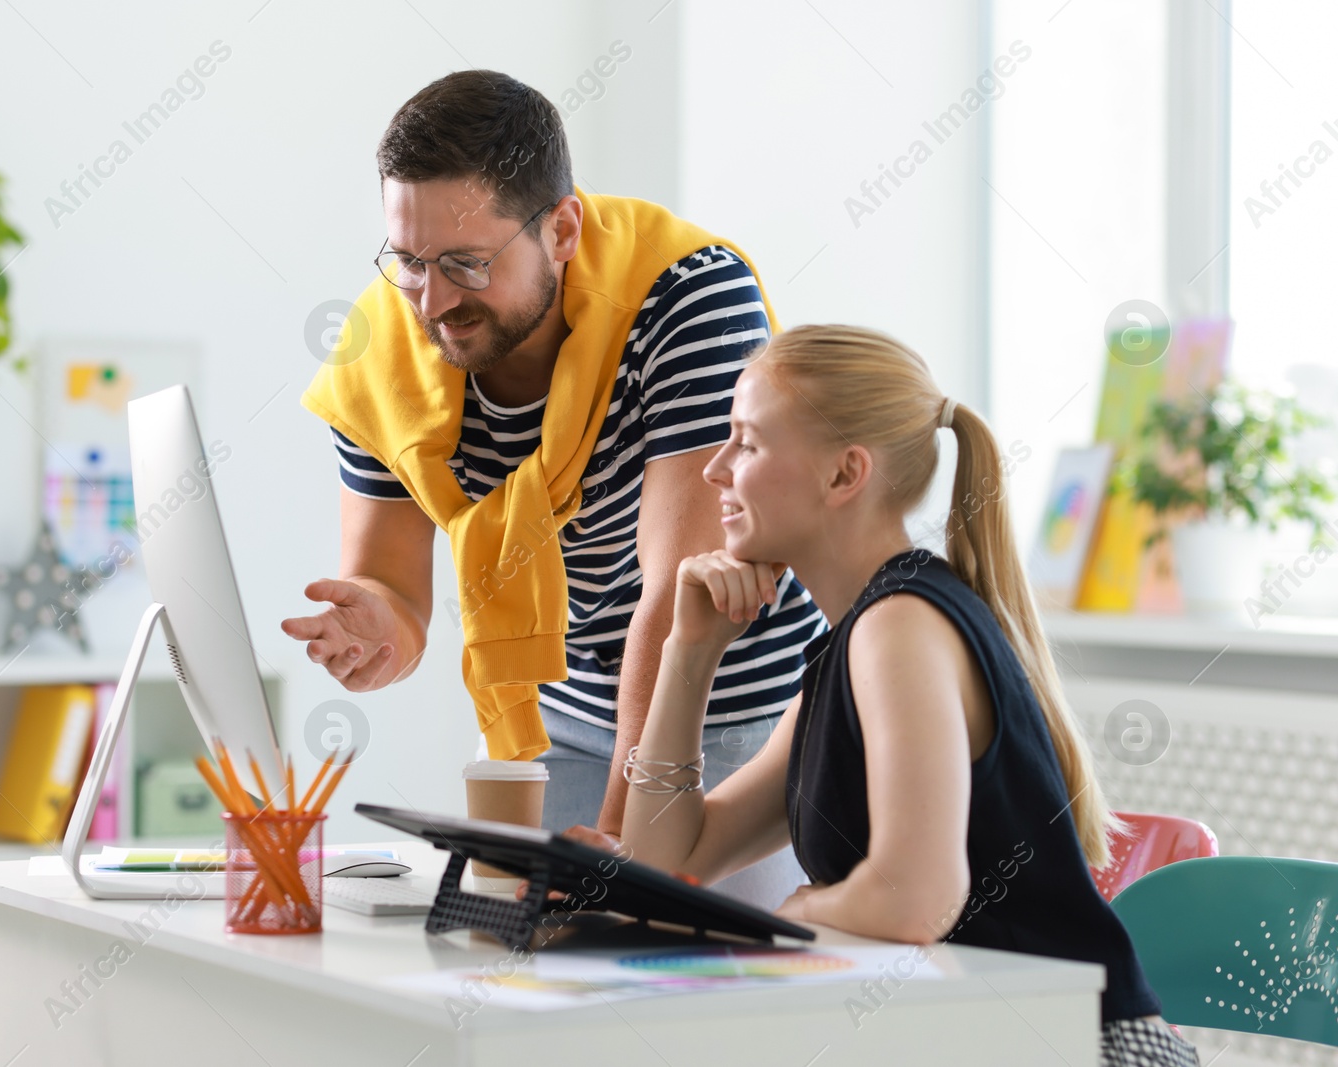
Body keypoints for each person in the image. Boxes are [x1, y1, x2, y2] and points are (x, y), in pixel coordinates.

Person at [282, 69, 824, 909]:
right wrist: (378, 626)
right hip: (562, 710)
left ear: (563, 227)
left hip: (729, 704)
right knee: (547, 991)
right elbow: (394, 590)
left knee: (701, 1002)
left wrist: (619, 835)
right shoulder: (380, 346)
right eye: (409, 261)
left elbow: (684, 603)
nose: (433, 301)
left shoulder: (688, 299)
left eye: (467, 262)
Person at [585, 325, 1200, 1066]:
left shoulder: (899, 626)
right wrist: (690, 654)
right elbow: (666, 863)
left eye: (746, 443)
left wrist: (802, 906)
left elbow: (917, 898)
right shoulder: (853, 645)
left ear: (845, 475)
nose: (716, 469)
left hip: (1077, 1049)